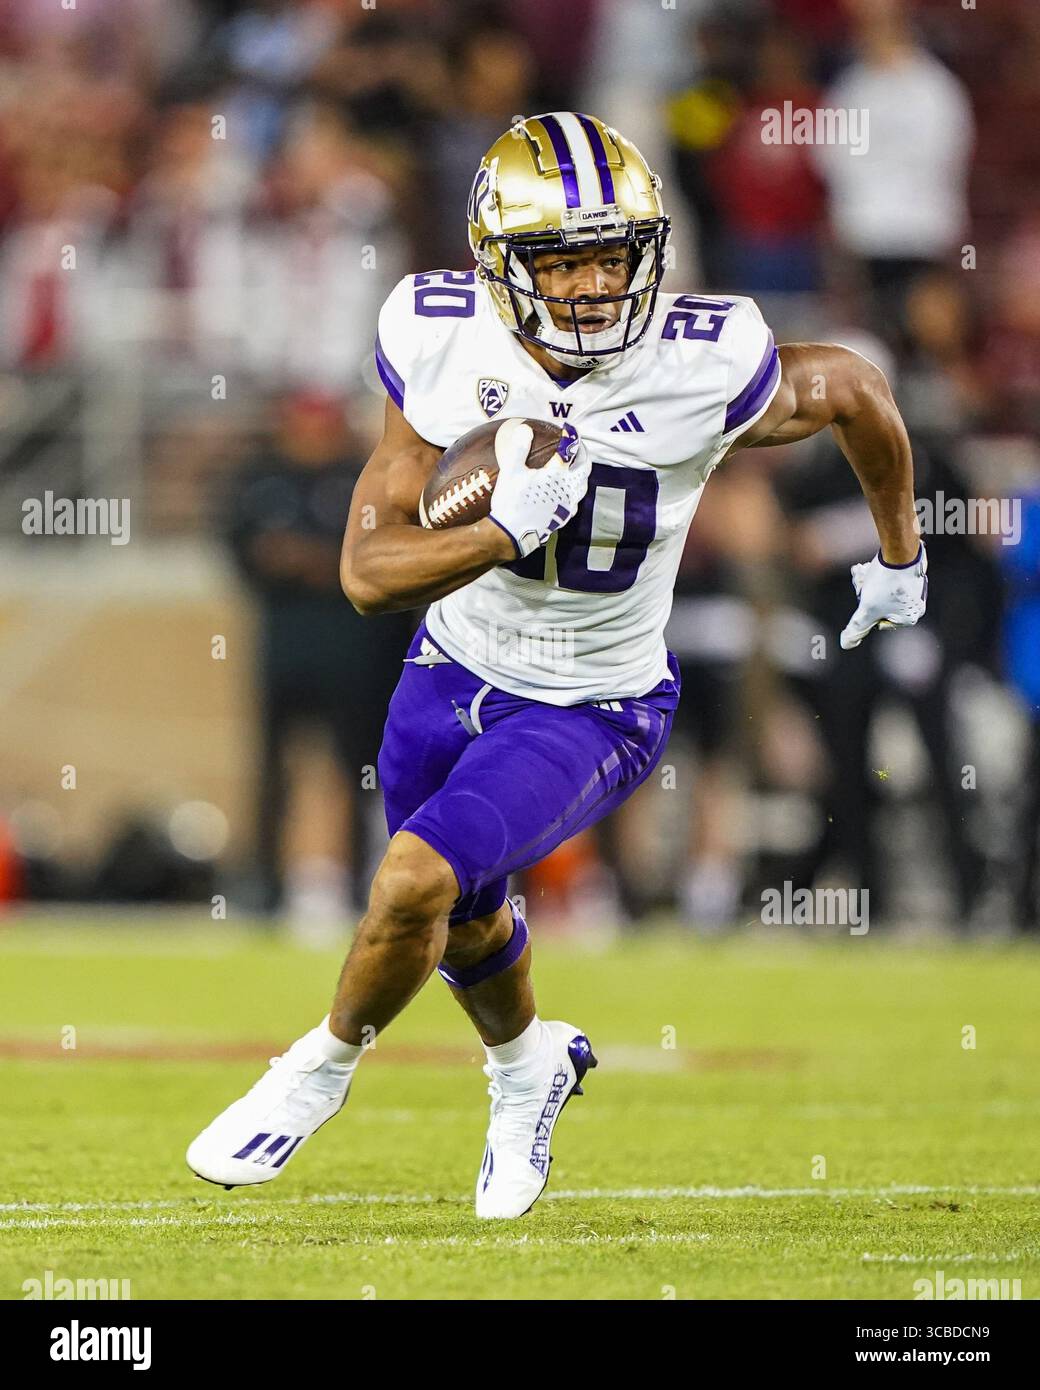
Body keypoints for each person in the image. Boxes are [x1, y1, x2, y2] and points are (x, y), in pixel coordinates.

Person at [187, 111, 927, 1220]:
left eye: (610, 255)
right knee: (467, 914)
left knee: (409, 884)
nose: (589, 286)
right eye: (559, 258)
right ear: (496, 262)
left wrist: (898, 555)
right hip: (446, 670)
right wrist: (498, 532)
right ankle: (528, 1066)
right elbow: (367, 571)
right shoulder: (436, 334)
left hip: (593, 700)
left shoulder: (702, 359)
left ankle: (317, 1068)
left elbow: (857, 389)